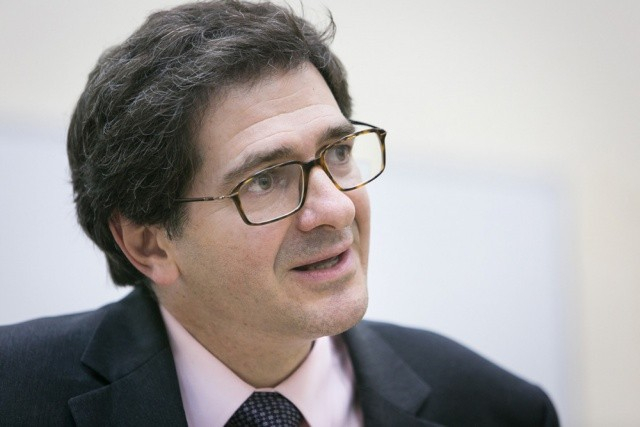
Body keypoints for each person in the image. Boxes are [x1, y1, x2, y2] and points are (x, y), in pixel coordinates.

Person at [0, 1, 559, 426]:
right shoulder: (15, 394)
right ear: (150, 244)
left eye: (338, 153)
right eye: (264, 180)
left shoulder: (494, 407)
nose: (336, 207)